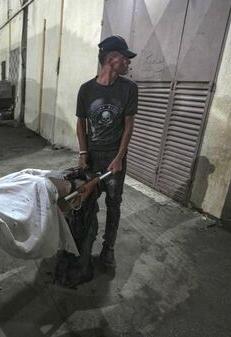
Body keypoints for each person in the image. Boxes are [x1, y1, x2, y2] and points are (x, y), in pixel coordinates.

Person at [74, 35, 137, 280]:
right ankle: (85, 246)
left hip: (114, 158)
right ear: (112, 59)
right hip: (92, 158)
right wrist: (82, 153)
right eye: (125, 59)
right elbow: (81, 124)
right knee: (86, 202)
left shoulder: (129, 89)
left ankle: (108, 249)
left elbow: (128, 126)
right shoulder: (86, 90)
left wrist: (120, 157)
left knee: (113, 204)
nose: (128, 64)